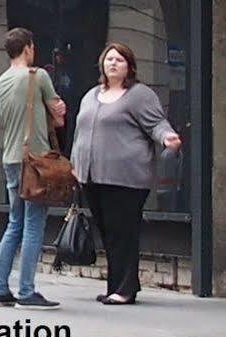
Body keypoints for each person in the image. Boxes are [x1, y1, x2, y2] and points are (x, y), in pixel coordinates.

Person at [70, 42, 182, 305]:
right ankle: (115, 285)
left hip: (126, 177)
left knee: (123, 232)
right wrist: (75, 165)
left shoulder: (139, 95)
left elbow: (156, 123)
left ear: (129, 66)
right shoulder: (91, 95)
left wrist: (167, 138)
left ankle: (125, 289)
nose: (113, 63)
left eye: (119, 60)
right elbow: (80, 133)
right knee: (108, 232)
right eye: (109, 59)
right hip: (91, 176)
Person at [0, 27, 65, 309]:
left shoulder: (1, 81)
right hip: (34, 160)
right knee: (34, 224)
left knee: (14, 223)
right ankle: (26, 291)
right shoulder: (38, 75)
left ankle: (0, 289)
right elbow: (58, 117)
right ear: (28, 48)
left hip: (11, 157)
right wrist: (58, 109)